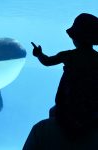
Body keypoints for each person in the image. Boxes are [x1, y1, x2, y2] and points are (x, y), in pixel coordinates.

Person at [23, 13, 98, 149]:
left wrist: (39, 54)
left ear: (75, 38)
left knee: (53, 112)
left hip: (68, 103)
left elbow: (47, 61)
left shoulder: (68, 55)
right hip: (93, 107)